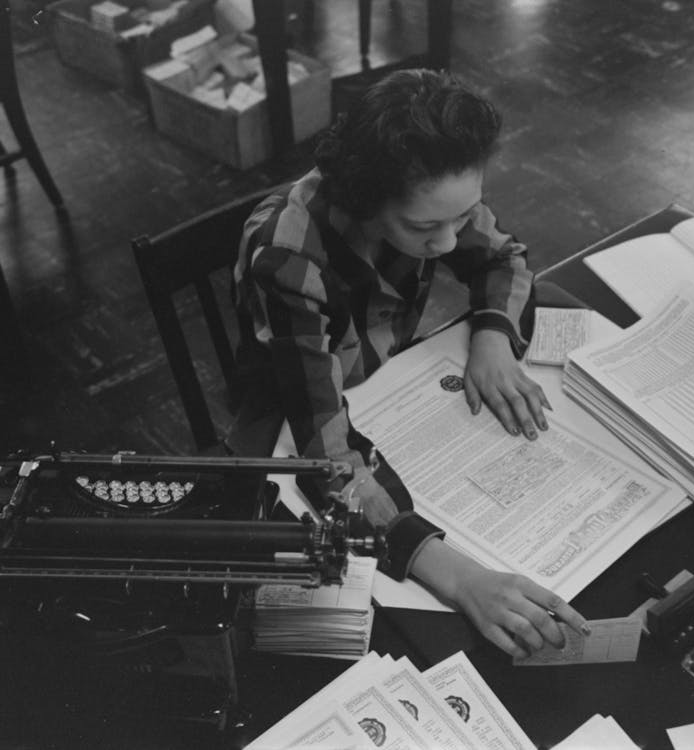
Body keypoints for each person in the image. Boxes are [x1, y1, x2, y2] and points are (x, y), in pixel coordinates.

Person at [229, 68, 589, 657]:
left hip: (379, 383)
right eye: (424, 227)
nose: (449, 243)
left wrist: (493, 336)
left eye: (462, 215)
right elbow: (326, 457)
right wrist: (459, 577)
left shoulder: (430, 186)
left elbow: (506, 258)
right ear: (364, 199)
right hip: (284, 418)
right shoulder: (288, 258)